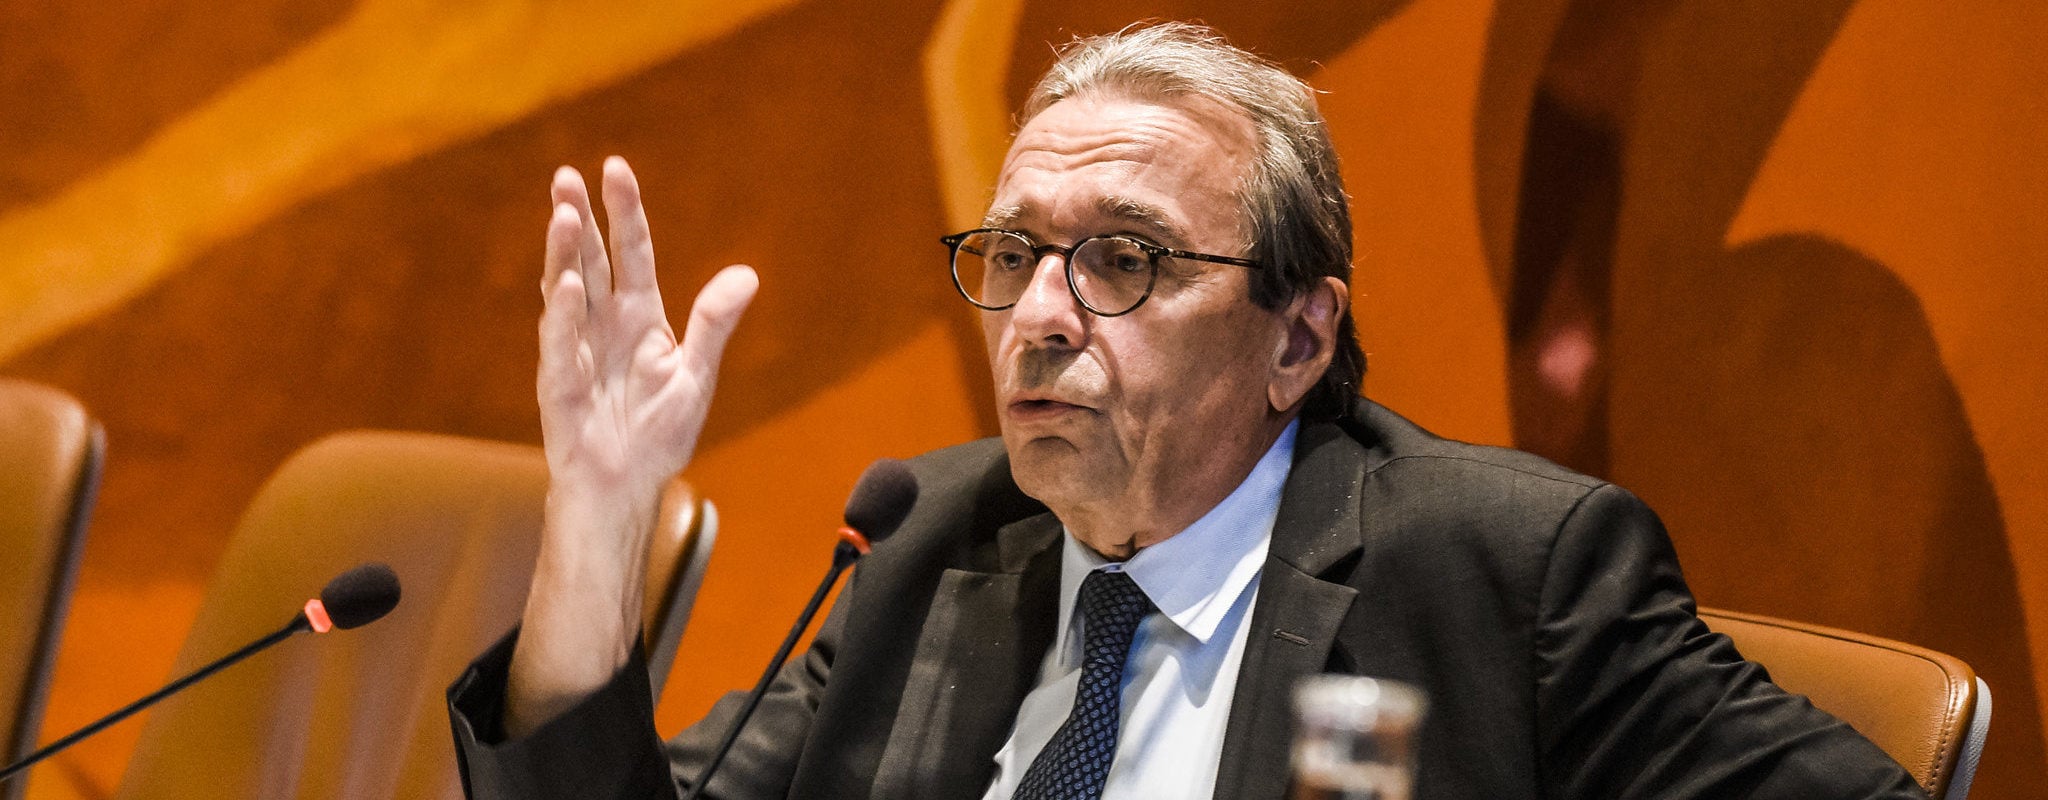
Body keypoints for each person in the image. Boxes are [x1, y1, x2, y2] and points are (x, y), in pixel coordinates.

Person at [448, 22, 1926, 799]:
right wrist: (600, 518)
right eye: (1014, 254)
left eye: (1124, 260)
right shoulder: (927, 543)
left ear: (1299, 335)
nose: (1040, 312)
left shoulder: (1505, 576)